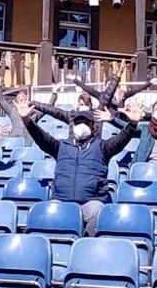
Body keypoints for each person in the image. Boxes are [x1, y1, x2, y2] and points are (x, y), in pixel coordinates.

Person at [17, 98, 143, 236]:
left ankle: (87, 245)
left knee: (98, 213)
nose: (81, 125)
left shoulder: (102, 147)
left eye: (85, 122)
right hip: (61, 200)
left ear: (92, 126)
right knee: (48, 213)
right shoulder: (61, 147)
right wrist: (26, 120)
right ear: (73, 126)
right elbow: (40, 137)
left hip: (91, 202)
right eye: (78, 122)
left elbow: (121, 140)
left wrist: (132, 124)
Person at [70, 72, 157, 116]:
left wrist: (150, 82)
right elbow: (88, 89)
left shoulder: (122, 95)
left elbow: (136, 90)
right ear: (105, 86)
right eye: (108, 85)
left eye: (112, 85)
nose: (110, 87)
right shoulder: (101, 95)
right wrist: (76, 80)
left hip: (120, 120)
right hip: (106, 120)